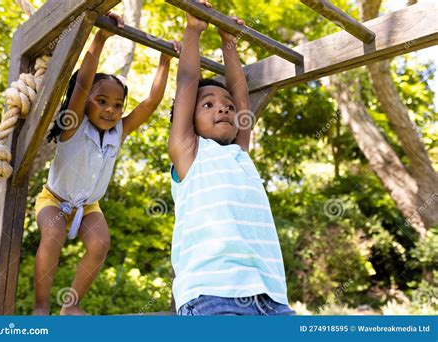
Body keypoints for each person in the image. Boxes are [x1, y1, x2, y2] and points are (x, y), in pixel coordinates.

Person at [33, 11, 180, 315]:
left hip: (89, 207)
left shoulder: (118, 131)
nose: (111, 110)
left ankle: (71, 306)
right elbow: (83, 82)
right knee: (54, 234)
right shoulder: (73, 125)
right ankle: (41, 306)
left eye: (117, 105)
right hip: (54, 200)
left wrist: (165, 61)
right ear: (86, 101)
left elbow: (150, 103)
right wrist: (99, 37)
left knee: (100, 244)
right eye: (101, 101)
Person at [168, 1, 295, 316]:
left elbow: (241, 95)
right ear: (188, 120)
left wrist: (229, 42)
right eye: (207, 105)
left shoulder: (239, 154)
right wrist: (194, 30)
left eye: (226, 105)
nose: (223, 108)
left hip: (271, 296)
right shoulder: (190, 152)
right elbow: (186, 81)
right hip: (211, 295)